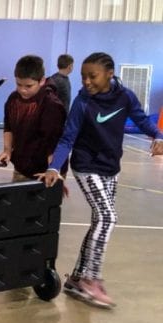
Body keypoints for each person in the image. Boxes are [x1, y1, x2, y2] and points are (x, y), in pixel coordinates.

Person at [38, 52, 163, 309]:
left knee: (99, 221)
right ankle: (92, 280)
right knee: (108, 218)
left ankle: (76, 278)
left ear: (109, 74)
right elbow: (67, 138)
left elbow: (141, 119)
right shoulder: (83, 102)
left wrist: (158, 136)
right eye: (83, 76)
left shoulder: (125, 96)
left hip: (110, 167)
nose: (86, 81)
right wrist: (53, 167)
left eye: (92, 76)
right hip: (86, 166)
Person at [0, 55, 67, 183]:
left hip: (45, 171)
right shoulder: (13, 99)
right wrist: (7, 151)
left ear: (42, 81)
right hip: (21, 167)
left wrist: (54, 170)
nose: (23, 90)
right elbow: (8, 127)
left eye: (29, 86)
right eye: (19, 84)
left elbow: (54, 143)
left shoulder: (51, 105)